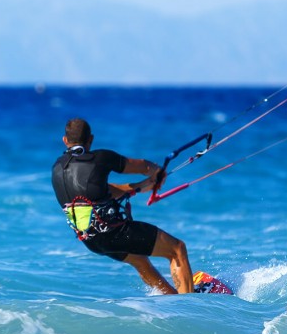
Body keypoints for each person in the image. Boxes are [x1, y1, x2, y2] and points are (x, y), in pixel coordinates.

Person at [51, 118, 195, 294]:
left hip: (91, 241)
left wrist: (140, 186)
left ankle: (173, 300)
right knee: (177, 249)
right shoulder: (101, 158)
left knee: (139, 260)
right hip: (114, 233)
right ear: (91, 139)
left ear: (65, 140)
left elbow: (104, 191)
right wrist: (158, 172)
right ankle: (189, 304)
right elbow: (142, 165)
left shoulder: (57, 168)